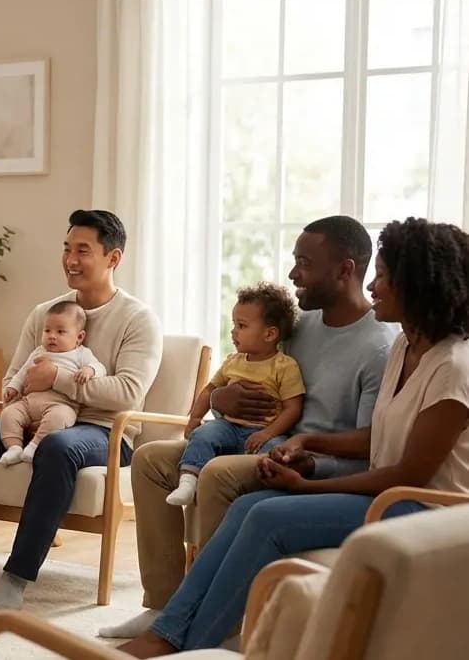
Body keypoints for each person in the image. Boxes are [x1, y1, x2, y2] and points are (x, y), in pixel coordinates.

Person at [119, 217, 469, 656]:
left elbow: (407, 474)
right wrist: (307, 442)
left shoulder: (452, 368)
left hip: (424, 512)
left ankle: (186, 644)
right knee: (249, 505)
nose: (374, 285)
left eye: (383, 276)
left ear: (417, 286)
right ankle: (168, 630)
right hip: (389, 494)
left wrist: (310, 485)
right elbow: (378, 439)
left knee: (267, 518)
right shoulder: (407, 346)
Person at [0, 209, 162, 612]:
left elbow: (127, 393)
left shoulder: (137, 319)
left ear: (113, 258)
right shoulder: (45, 313)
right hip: (32, 417)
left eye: (83, 250)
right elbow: (17, 375)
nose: (70, 259)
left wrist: (59, 381)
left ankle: (16, 576)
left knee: (59, 447)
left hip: (104, 433)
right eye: (67, 249)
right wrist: (20, 395)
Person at [165, 282, 304, 506]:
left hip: (263, 432)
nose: (233, 331)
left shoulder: (284, 367)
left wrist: (267, 433)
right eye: (234, 324)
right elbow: (209, 389)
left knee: (274, 452)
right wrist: (194, 418)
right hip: (228, 427)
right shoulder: (233, 362)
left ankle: (254, 494)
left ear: (269, 334)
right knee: (204, 435)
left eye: (241, 325)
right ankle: (188, 481)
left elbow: (293, 408)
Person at [0, 300, 106, 466]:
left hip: (60, 404)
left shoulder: (80, 354)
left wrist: (89, 371)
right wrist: (13, 387)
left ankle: (34, 446)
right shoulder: (39, 351)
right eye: (47, 330)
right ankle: (14, 448)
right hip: (28, 403)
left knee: (60, 418)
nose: (52, 336)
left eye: (61, 331)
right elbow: (22, 372)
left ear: (79, 337)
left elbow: (100, 368)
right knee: (8, 414)